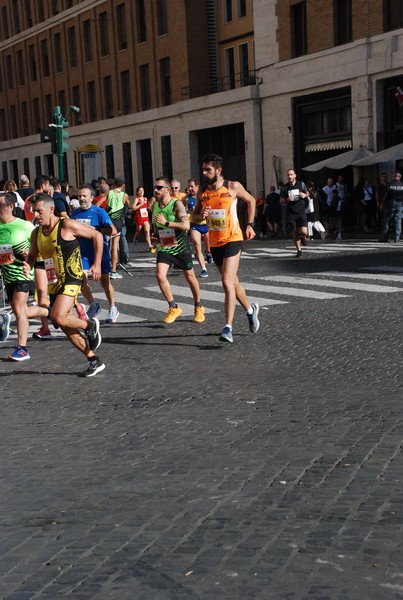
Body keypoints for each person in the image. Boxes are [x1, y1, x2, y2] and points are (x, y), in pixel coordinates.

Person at [22, 194, 105, 377]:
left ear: (51, 209)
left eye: (39, 210)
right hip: (54, 282)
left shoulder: (66, 225)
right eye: (33, 211)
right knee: (65, 325)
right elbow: (33, 256)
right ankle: (93, 359)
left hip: (72, 278)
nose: (35, 214)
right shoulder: (36, 233)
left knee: (58, 316)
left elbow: (97, 235)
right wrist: (27, 262)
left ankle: (89, 325)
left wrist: (97, 263)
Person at [192, 153, 259, 343]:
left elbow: (251, 201)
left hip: (233, 238)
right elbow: (195, 217)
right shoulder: (203, 191)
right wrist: (201, 214)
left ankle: (228, 327)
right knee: (234, 283)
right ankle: (250, 310)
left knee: (226, 282)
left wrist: (250, 224)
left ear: (218, 171)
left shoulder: (232, 186)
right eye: (203, 169)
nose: (204, 173)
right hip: (214, 242)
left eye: (208, 170)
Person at [151, 177, 205, 324]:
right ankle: (173, 307)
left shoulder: (177, 204)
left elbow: (186, 226)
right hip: (166, 246)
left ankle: (198, 306)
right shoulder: (154, 205)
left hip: (180, 246)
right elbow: (156, 225)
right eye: (155, 187)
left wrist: (167, 223)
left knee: (190, 277)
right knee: (160, 275)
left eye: (159, 188)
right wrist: (156, 235)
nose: (156, 190)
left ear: (167, 190)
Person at [70, 183, 119, 323]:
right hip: (83, 253)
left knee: (105, 282)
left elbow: (113, 231)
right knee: (80, 279)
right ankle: (93, 304)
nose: (82, 199)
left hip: (100, 252)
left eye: (84, 196)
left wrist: (96, 230)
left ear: (92, 197)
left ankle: (112, 307)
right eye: (79, 196)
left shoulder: (99, 212)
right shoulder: (74, 214)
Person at [0, 192, 35, 360]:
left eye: (0, 205)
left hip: (24, 273)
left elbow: (41, 247)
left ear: (11, 207)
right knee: (20, 309)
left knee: (19, 307)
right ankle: (49, 311)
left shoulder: (25, 226)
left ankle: (22, 349)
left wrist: (30, 255)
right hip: (7, 276)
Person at [186, 178, 213, 278]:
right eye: (188, 186)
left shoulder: (205, 197)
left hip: (206, 225)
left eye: (192, 186)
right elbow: (183, 209)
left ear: (197, 187)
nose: (190, 188)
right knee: (197, 246)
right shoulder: (186, 199)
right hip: (195, 225)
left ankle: (209, 253)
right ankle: (203, 269)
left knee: (208, 246)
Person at [281, 169, 309, 258]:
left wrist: (304, 195)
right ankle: (299, 251)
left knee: (304, 232)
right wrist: (287, 199)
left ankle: (303, 236)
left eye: (291, 175)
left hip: (301, 211)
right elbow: (281, 200)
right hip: (291, 213)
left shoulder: (301, 184)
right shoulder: (285, 188)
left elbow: (308, 193)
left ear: (295, 175)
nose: (289, 177)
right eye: (288, 175)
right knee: (294, 232)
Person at [106, 176, 131, 278]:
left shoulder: (109, 192)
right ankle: (113, 270)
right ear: (123, 185)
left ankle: (105, 267)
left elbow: (98, 204)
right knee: (114, 247)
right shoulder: (124, 195)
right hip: (118, 222)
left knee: (105, 245)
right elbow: (128, 204)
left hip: (108, 220)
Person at [379, 169, 403, 242]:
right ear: (400, 177)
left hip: (389, 204)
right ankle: (397, 238)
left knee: (386, 220)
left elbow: (385, 196)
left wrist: (381, 203)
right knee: (398, 220)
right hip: (399, 204)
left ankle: (385, 237)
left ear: (393, 176)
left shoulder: (389, 184)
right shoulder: (402, 185)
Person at [132, 185, 153, 250]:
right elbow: (133, 208)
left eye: (142, 190)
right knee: (139, 230)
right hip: (139, 216)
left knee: (147, 231)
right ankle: (135, 237)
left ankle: (149, 245)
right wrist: (141, 204)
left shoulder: (145, 199)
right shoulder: (137, 199)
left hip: (145, 216)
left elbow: (148, 207)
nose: (141, 192)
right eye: (140, 191)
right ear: (137, 192)